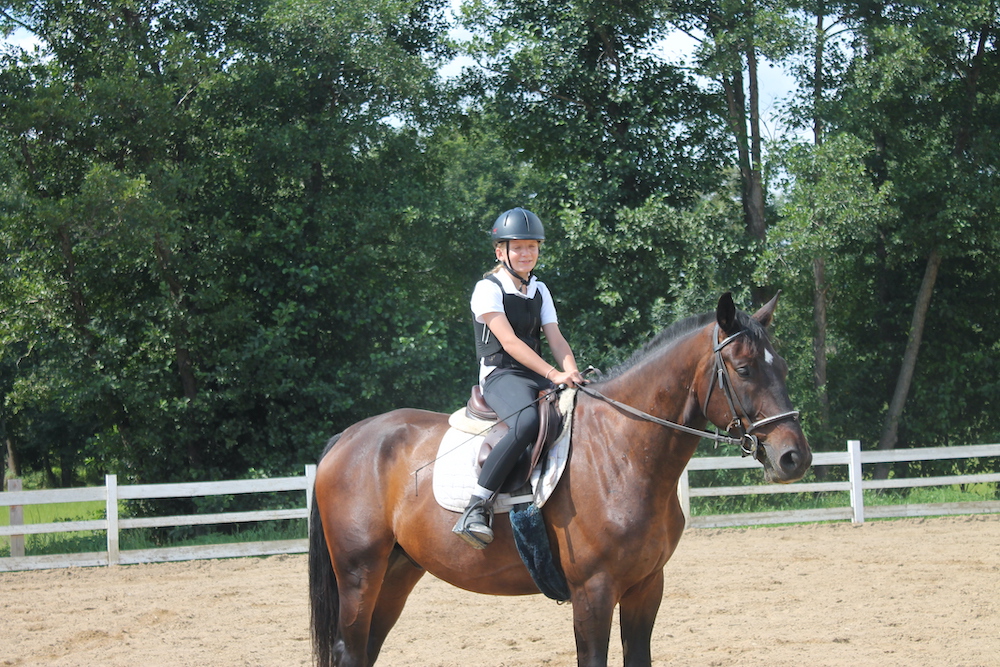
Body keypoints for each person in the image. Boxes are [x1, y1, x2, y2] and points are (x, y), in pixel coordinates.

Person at [453, 207, 586, 548]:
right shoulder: (487, 288)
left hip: (536, 374)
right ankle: (477, 505)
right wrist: (554, 373)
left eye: (532, 247)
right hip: (501, 375)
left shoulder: (539, 289)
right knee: (526, 421)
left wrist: (571, 371)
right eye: (518, 247)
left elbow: (555, 338)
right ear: (501, 252)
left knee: (583, 409)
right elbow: (510, 342)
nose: (526, 253)